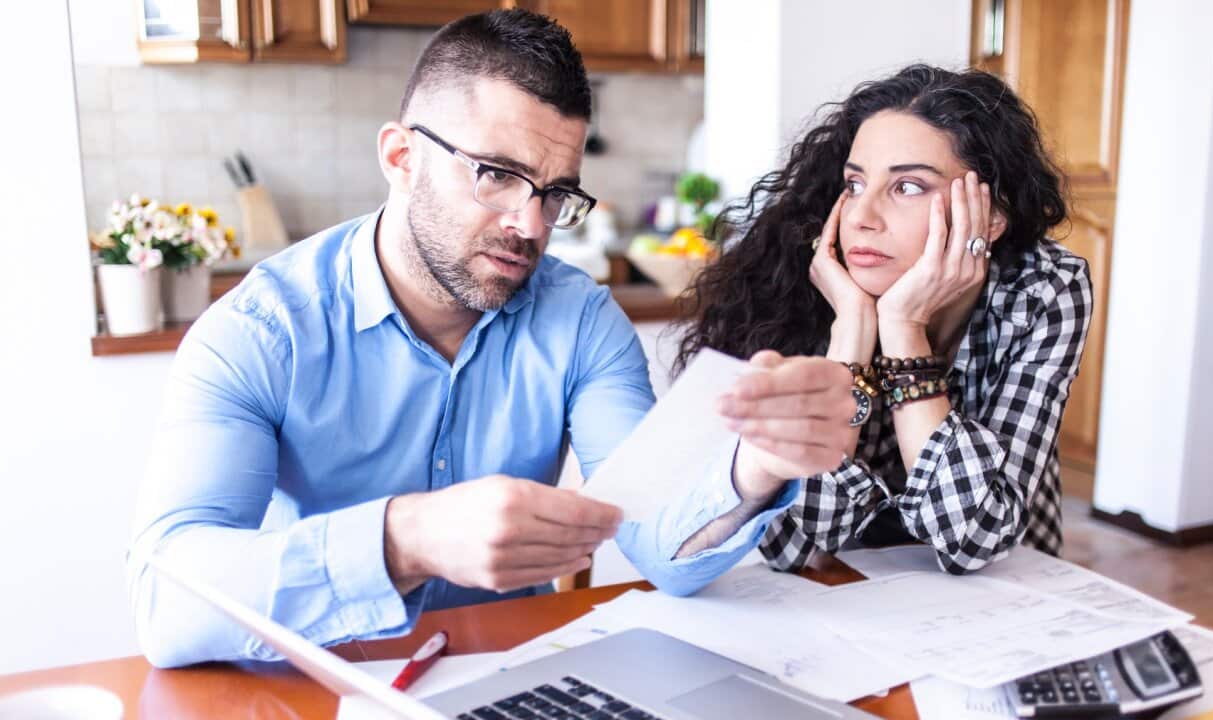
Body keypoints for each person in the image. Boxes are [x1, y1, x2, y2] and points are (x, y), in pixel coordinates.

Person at [127, 9, 856, 668]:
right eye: (497, 175)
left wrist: (756, 465)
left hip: (513, 682)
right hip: (317, 691)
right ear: (400, 158)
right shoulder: (261, 332)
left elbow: (659, 545)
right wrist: (404, 539)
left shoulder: (579, 321)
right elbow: (169, 604)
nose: (531, 224)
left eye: (555, 192)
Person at [678, 64, 1093, 575]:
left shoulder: (1045, 287)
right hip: (848, 581)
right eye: (854, 184)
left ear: (989, 218)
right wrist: (851, 330)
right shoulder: (792, 292)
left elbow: (973, 538)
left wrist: (903, 327)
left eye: (908, 187)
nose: (860, 217)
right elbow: (793, 546)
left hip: (1001, 584)